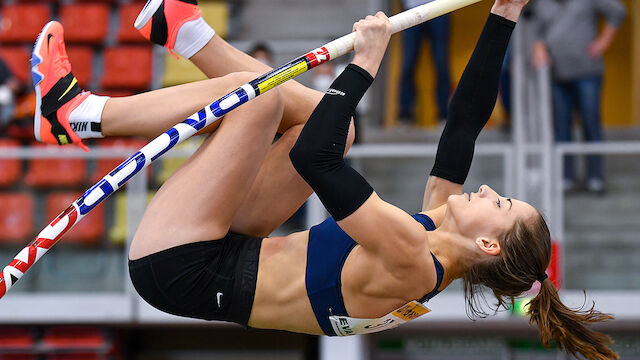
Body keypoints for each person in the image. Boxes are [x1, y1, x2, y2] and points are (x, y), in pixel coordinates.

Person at [32, 0, 618, 358]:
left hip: (182, 266)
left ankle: (80, 113)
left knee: (260, 107)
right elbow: (463, 126)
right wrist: (503, 17)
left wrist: (365, 63)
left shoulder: (412, 255)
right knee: (333, 127)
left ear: (489, 243)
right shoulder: (434, 238)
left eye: (503, 201)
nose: (490, 190)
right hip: (228, 247)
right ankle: (190, 36)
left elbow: (314, 162)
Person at [531, 0, 626, 194]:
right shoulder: (542, 3)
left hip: (587, 73)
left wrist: (603, 42)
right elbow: (537, 32)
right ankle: (566, 177)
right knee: (561, 127)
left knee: (590, 123)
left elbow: (618, 11)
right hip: (556, 75)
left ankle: (595, 178)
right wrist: (539, 49)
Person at [399, 0, 452, 126]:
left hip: (440, 8)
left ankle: (444, 113)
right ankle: (405, 114)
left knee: (441, 63)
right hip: (411, 10)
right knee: (408, 64)